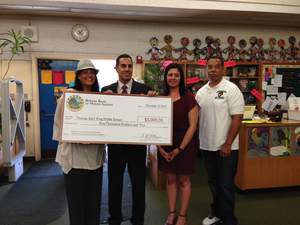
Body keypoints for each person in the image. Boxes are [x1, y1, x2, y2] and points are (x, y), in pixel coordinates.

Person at [53, 59, 105, 225]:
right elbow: (59, 123)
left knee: (94, 203)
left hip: (94, 159)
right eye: (85, 72)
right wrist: (75, 135)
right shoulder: (69, 97)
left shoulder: (100, 98)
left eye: (92, 72)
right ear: (79, 76)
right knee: (76, 205)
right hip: (74, 160)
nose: (89, 75)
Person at [101, 54, 151, 225]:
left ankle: (138, 220)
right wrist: (103, 101)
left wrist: (152, 101)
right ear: (116, 68)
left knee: (138, 186)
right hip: (115, 148)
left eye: (129, 66)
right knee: (114, 184)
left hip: (137, 148)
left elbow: (150, 116)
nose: (127, 69)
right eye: (123, 66)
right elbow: (102, 119)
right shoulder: (106, 90)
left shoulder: (145, 89)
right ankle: (114, 218)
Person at [195, 57, 244, 225]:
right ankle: (216, 213)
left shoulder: (231, 89)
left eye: (217, 67)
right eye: (210, 67)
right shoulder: (201, 92)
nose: (213, 70)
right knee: (213, 183)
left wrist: (228, 143)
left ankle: (229, 220)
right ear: (206, 69)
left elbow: (238, 118)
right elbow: (196, 118)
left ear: (223, 69)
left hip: (227, 148)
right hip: (206, 146)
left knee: (225, 185)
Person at [158, 63, 199, 225]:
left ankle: (182, 216)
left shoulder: (189, 98)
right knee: (170, 180)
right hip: (165, 144)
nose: (173, 78)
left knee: (184, 181)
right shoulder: (161, 98)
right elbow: (153, 124)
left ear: (181, 78)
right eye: (170, 75)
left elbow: (193, 126)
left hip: (185, 145)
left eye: (176, 75)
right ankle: (171, 212)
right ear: (166, 77)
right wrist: (159, 148)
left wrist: (179, 149)